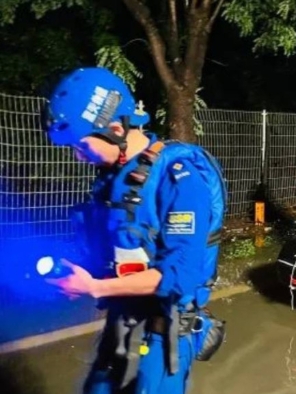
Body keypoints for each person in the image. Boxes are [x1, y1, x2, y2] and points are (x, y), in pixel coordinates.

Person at [43, 67, 227, 393]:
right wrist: (79, 275)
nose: (77, 156)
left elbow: (179, 277)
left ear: (115, 129)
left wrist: (96, 287)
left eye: (82, 147)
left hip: (168, 321)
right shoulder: (113, 178)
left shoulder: (180, 178)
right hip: (125, 307)